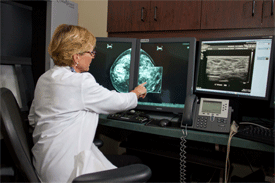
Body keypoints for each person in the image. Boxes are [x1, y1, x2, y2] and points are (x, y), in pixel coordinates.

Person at [28, 24, 147, 182]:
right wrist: (135, 93)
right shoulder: (80, 82)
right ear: (76, 57)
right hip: (68, 172)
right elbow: (117, 102)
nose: (93, 56)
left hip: (45, 167)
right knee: (135, 162)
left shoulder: (45, 78)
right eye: (91, 52)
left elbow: (32, 119)